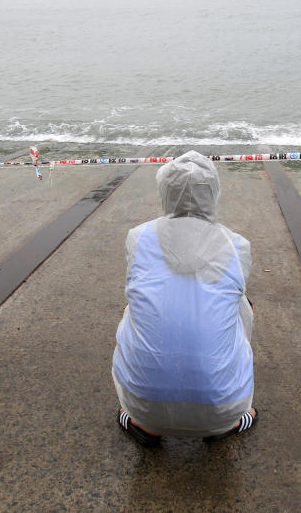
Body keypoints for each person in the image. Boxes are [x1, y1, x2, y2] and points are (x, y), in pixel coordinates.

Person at [112, 150, 257, 447]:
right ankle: (228, 423)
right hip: (222, 409)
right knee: (242, 307)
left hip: (143, 404)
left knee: (134, 308)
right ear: (213, 194)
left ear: (164, 192)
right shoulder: (237, 245)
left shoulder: (137, 237)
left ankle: (144, 424)